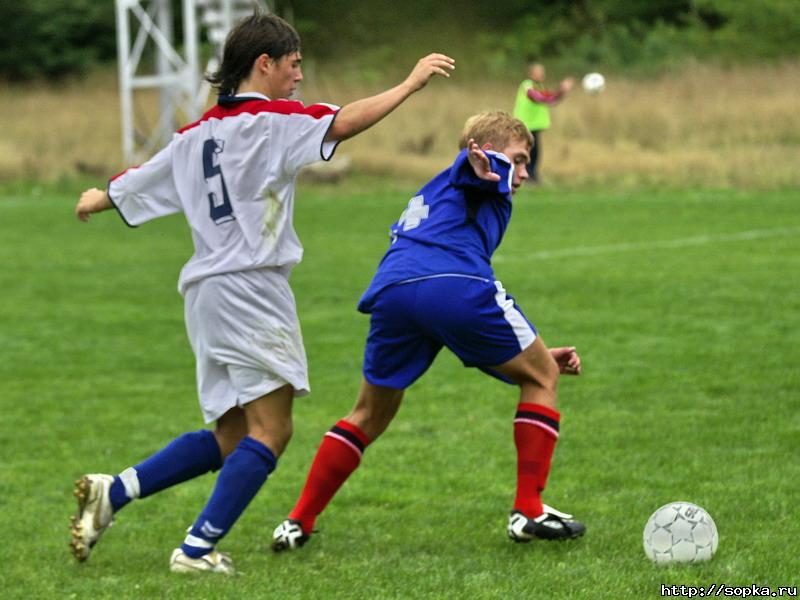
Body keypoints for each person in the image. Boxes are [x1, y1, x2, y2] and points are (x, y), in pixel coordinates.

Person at [69, 11, 455, 575]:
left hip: (205, 293)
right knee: (272, 431)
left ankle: (115, 493)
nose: (299, 76)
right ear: (264, 64)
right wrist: (409, 83)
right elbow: (343, 123)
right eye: (294, 65)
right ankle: (196, 550)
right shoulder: (274, 121)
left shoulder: (193, 135)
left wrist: (96, 199)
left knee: (231, 433)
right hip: (251, 289)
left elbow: (140, 181)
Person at [271, 110, 585, 553]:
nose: (524, 172)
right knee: (541, 379)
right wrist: (487, 162)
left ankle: (297, 522)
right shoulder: (479, 170)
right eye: (518, 158)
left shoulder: (436, 188)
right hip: (454, 284)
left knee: (369, 413)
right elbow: (477, 166)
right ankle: (529, 509)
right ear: (489, 153)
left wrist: (529, 355)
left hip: (394, 291)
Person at [512, 62, 574, 183]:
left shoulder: (539, 86)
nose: (542, 74)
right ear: (531, 74)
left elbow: (550, 99)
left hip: (534, 126)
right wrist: (561, 90)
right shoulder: (527, 86)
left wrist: (562, 91)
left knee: (535, 152)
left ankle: (532, 176)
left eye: (542, 71)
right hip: (525, 125)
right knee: (527, 152)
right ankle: (526, 176)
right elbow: (540, 98)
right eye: (539, 71)